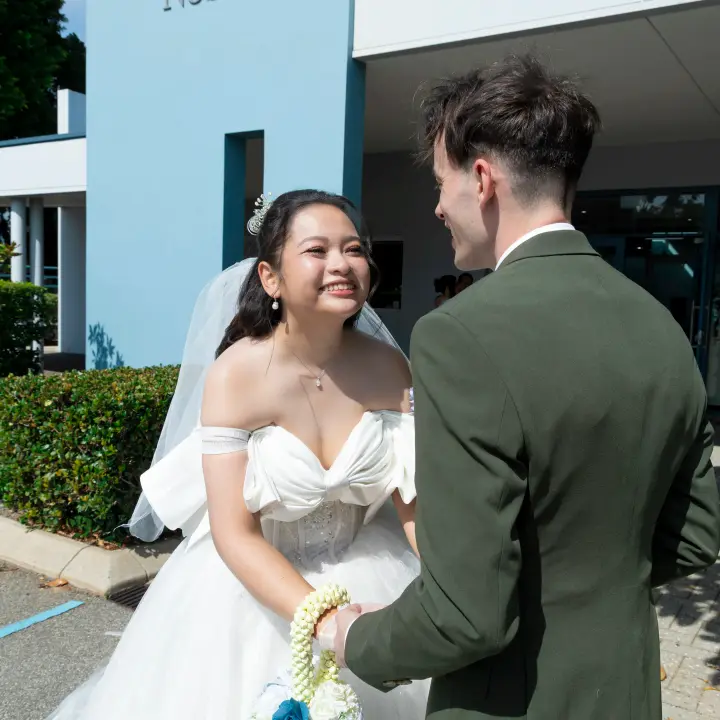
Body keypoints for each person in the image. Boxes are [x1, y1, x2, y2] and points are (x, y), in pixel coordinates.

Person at [322, 54, 720, 719]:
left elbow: (466, 615)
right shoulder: (662, 326)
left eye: (442, 182)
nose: (437, 206)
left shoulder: (458, 336)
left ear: (482, 179)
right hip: (625, 691)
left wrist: (355, 640)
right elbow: (701, 530)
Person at [47, 190, 429, 719]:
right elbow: (234, 532)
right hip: (244, 592)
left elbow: (413, 504)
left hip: (375, 572)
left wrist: (448, 584)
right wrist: (328, 621)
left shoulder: (391, 369)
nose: (342, 264)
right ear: (271, 278)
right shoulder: (236, 376)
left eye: (355, 249)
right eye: (317, 251)